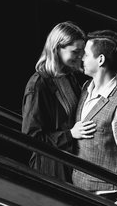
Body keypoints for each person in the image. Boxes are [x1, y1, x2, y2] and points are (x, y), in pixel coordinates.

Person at [72, 30, 117, 205]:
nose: (81, 58)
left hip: (108, 198)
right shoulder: (86, 88)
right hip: (80, 193)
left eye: (86, 54)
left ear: (100, 60)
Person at [22, 21, 97, 182]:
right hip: (51, 170)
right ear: (56, 49)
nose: (80, 57)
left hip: (70, 165)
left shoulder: (69, 77)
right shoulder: (38, 85)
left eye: (82, 52)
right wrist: (70, 135)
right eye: (75, 51)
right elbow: (31, 137)